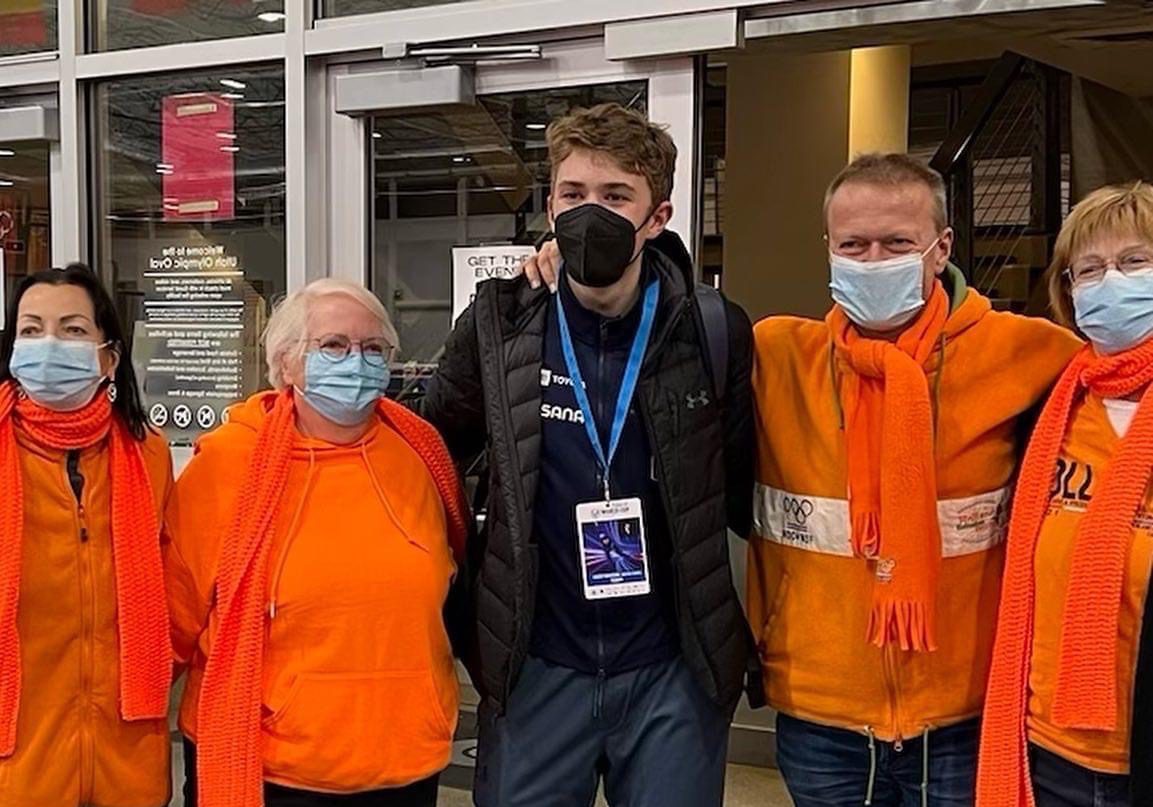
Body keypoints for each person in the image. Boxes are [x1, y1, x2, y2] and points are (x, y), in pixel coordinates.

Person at [421, 102, 760, 807]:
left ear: (656, 216)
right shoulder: (500, 320)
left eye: (614, 197)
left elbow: (740, 487)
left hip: (670, 666)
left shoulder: (709, 328)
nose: (589, 213)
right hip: (537, 662)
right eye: (573, 195)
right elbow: (427, 449)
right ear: (549, 204)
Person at [746, 153, 1081, 806]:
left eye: (896, 242)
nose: (872, 259)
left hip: (963, 715)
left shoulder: (1025, 353)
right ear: (829, 249)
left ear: (940, 248)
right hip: (820, 716)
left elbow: (1123, 372)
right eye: (853, 244)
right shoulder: (777, 355)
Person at [164, 278, 470, 807]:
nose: (357, 362)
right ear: (285, 365)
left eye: (374, 348)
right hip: (272, 772)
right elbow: (175, 616)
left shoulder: (420, 456)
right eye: (333, 345)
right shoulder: (229, 465)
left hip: (404, 765)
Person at [979, 181, 1153, 807]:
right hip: (1042, 745)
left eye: (1135, 262)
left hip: (1139, 751)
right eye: (1091, 269)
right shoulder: (1046, 406)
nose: (1112, 282)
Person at [0, 265, 173, 805]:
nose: (48, 344)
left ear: (109, 357)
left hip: (129, 757)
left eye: (72, 330)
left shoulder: (150, 455)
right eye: (31, 330)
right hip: (19, 764)